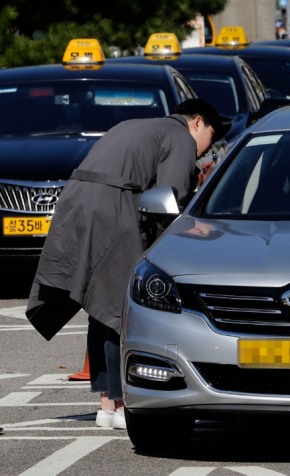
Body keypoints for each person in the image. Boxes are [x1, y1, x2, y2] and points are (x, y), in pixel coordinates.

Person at [25, 98, 229, 430]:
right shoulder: (179, 138)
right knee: (119, 307)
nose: (203, 153)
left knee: (100, 304)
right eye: (209, 139)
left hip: (75, 204)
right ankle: (119, 404)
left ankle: (108, 404)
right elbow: (171, 201)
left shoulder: (137, 126)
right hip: (109, 210)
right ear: (196, 122)